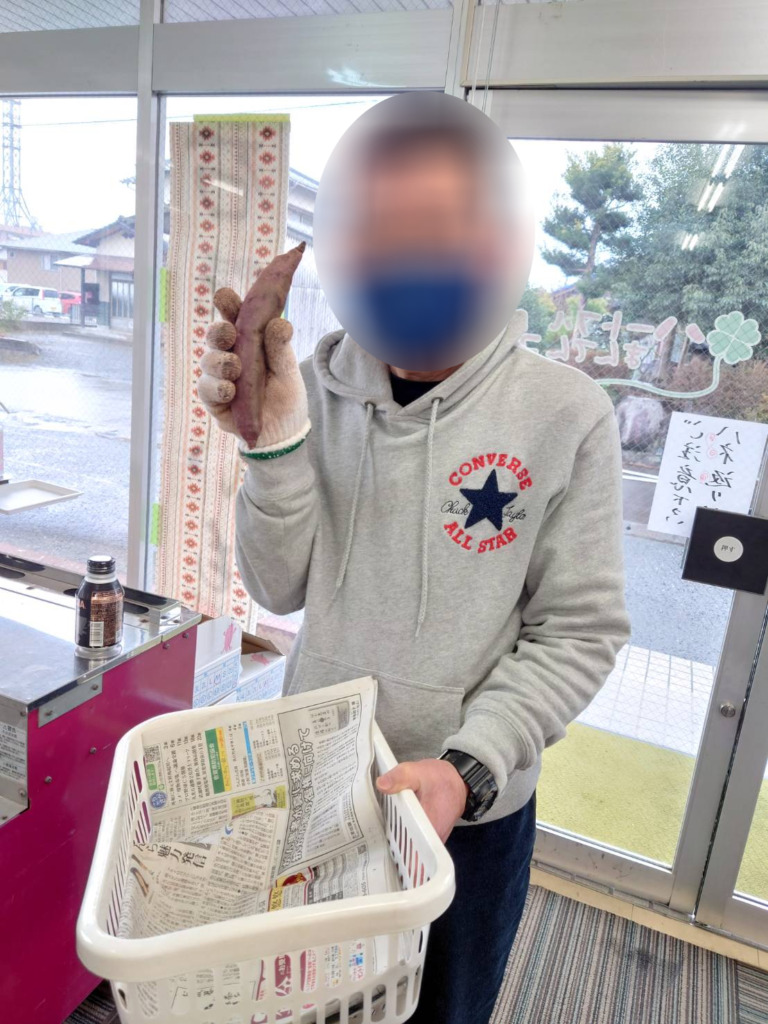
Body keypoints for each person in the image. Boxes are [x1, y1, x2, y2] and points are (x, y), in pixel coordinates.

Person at [198, 93, 631, 1024]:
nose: (408, 259)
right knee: (305, 1002)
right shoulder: (309, 387)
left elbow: (580, 631)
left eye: (437, 230)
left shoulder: (565, 414)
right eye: (380, 232)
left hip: (466, 808)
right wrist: (272, 446)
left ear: (501, 243)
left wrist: (468, 768)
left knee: (443, 1009)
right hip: (319, 779)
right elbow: (277, 586)